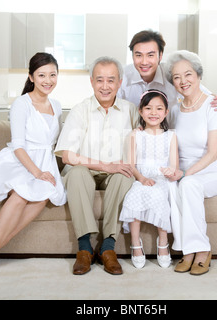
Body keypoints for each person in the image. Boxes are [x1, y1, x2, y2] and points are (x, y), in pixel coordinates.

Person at [0, 52, 67, 275]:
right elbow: (18, 146)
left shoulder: (56, 105)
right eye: (42, 75)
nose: (48, 80)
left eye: (53, 75)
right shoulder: (21, 104)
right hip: (21, 160)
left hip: (44, 162)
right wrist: (37, 173)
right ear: (31, 77)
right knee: (21, 193)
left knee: (42, 196)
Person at [54, 56, 138, 275]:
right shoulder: (80, 110)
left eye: (111, 80)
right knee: (77, 173)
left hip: (116, 173)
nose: (105, 86)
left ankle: (108, 248)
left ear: (120, 82)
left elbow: (150, 137)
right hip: (86, 171)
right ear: (91, 82)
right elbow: (67, 156)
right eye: (100, 80)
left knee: (125, 175)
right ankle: (84, 249)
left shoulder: (131, 111)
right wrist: (105, 166)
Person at [161, 50, 217, 276]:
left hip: (214, 171)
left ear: (199, 75)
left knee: (188, 185)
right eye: (176, 77)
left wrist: (185, 174)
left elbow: (212, 153)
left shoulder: (214, 105)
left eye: (188, 74)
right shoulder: (174, 109)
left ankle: (200, 250)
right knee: (170, 188)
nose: (183, 81)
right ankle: (188, 250)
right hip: (185, 172)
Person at [119, 89, 178, 269]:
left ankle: (163, 242)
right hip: (141, 177)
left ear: (166, 112)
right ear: (140, 111)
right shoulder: (135, 135)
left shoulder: (171, 136)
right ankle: (135, 244)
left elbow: (174, 165)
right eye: (148, 108)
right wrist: (142, 179)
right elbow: (131, 163)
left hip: (161, 179)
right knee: (133, 197)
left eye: (159, 109)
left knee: (160, 197)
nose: (153, 113)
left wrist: (170, 172)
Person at [117, 29, 217, 113]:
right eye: (139, 55)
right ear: (132, 56)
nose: (144, 62)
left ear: (160, 56)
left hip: (170, 137)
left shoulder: (172, 72)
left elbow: (199, 92)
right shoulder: (122, 76)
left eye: (150, 55)